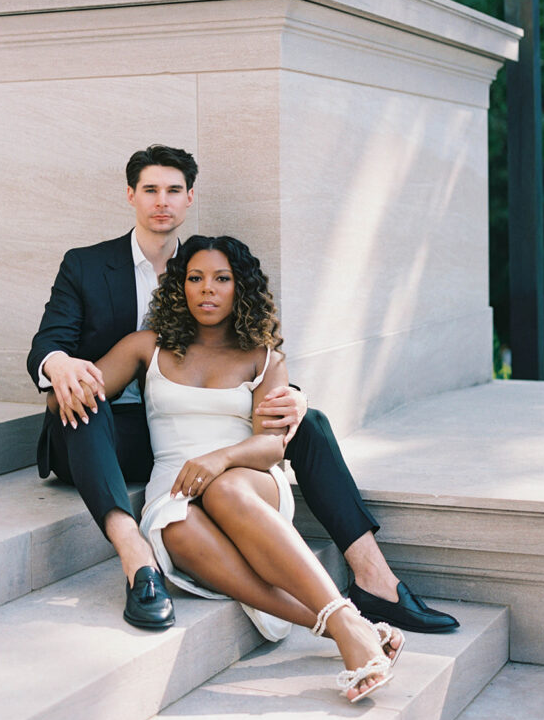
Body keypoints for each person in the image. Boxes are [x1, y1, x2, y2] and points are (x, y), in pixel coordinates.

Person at [27, 144, 459, 635]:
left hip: (188, 431)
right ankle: (137, 560)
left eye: (173, 190)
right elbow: (50, 342)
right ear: (131, 195)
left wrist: (295, 396)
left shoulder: (203, 266)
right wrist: (58, 365)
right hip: (109, 432)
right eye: (150, 189)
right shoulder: (86, 265)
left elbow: (238, 357)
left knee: (308, 422)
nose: (161, 201)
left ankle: (374, 579)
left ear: (189, 198)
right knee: (85, 400)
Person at [73, 234, 404, 703]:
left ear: (239, 288)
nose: (207, 289)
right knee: (175, 530)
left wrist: (221, 458)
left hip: (247, 478)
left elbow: (271, 446)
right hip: (175, 484)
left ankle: (345, 627)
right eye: (195, 278)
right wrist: (62, 366)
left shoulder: (263, 356)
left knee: (225, 490)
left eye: (221, 279)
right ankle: (345, 625)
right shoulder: (147, 345)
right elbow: (80, 390)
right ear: (179, 287)